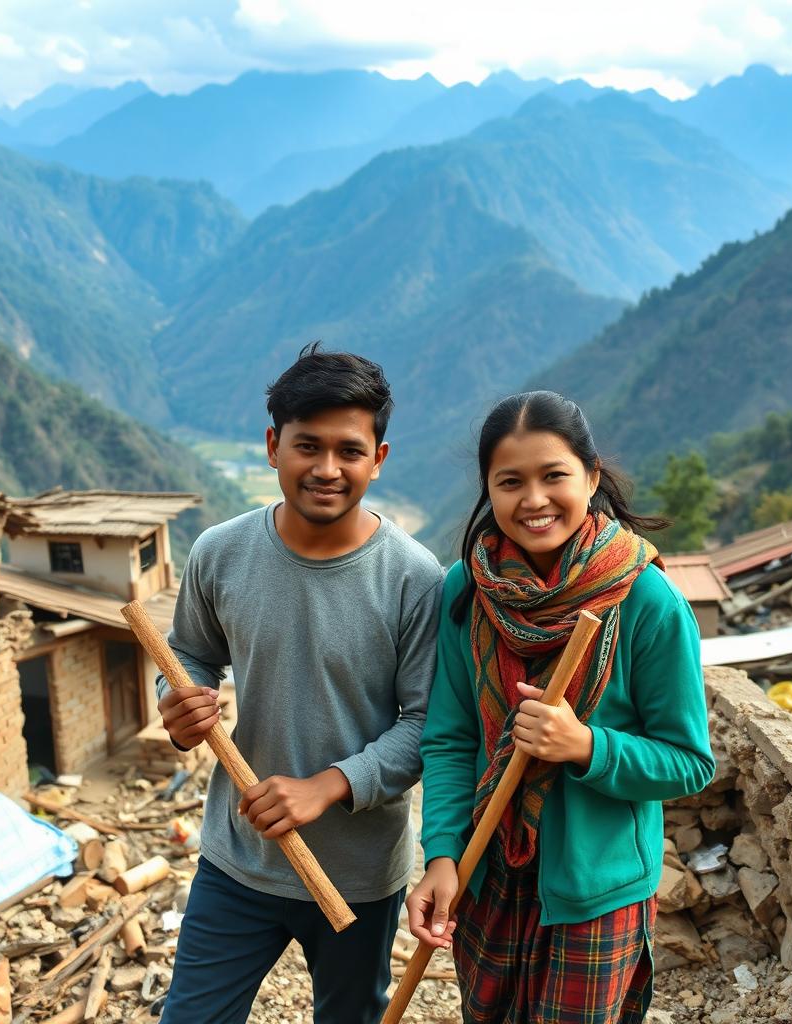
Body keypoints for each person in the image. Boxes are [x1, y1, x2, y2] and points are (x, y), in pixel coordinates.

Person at [406, 391, 715, 1024]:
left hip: (594, 891)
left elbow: (688, 762)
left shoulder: (645, 602)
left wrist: (586, 746)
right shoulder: (468, 589)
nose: (534, 500)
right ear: (487, 488)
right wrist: (440, 855)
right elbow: (450, 737)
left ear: (592, 476)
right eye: (510, 481)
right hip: (486, 869)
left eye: (555, 476)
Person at [156, 344, 443, 1024]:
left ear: (380, 458)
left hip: (360, 875)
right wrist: (177, 708)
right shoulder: (220, 553)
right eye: (306, 445)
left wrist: (330, 785)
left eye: (349, 450)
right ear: (271, 446)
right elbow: (189, 652)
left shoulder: (414, 578)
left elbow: (428, 725)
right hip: (237, 857)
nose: (326, 468)